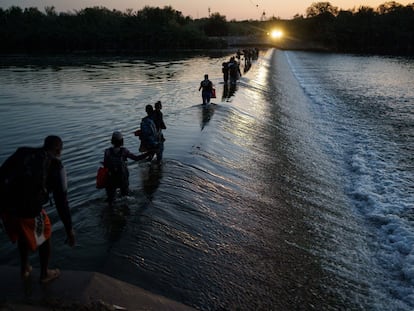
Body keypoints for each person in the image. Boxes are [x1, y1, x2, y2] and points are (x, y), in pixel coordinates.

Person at [0, 135, 75, 283]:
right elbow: (61, 202)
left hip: (7, 209)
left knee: (23, 230)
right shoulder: (55, 166)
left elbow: (2, 174)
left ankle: (25, 268)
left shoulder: (22, 152)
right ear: (58, 149)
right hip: (29, 210)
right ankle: (44, 274)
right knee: (45, 235)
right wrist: (69, 229)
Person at [103, 131, 148, 205]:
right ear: (122, 141)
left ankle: (111, 212)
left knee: (110, 200)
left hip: (111, 178)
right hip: (122, 178)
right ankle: (125, 211)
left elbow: (105, 166)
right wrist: (149, 153)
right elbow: (136, 158)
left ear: (112, 141)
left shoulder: (107, 152)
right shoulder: (124, 151)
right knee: (125, 197)